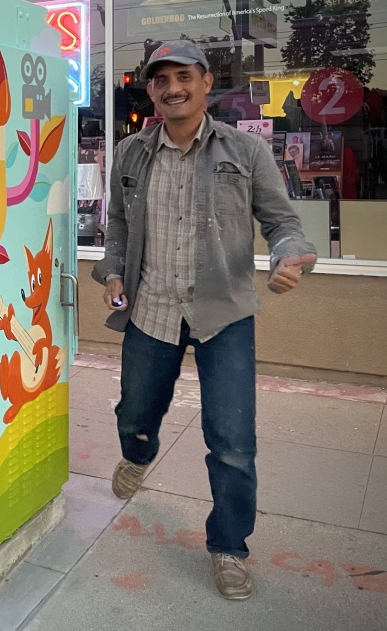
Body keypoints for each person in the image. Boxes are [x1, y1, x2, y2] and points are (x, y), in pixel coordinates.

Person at [92, 40, 316, 601]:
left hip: (224, 314)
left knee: (233, 441)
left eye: (184, 77)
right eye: (161, 80)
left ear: (206, 82)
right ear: (150, 90)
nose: (173, 88)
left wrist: (290, 255)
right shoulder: (130, 153)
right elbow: (117, 224)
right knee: (134, 414)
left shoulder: (245, 150)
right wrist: (113, 272)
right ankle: (138, 454)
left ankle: (229, 547)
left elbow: (281, 222)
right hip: (152, 309)